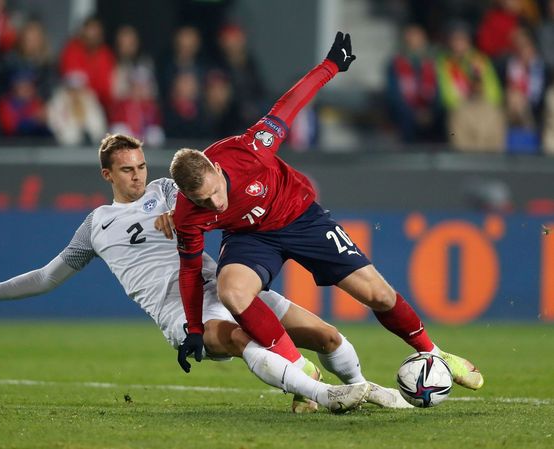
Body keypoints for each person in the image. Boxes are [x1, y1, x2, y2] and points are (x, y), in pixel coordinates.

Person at [0, 133, 412, 413]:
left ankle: (364, 388)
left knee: (328, 338)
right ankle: (323, 395)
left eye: (141, 166)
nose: (137, 176)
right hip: (179, 312)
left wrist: (178, 213)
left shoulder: (171, 190)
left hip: (223, 284)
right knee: (244, 339)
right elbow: (46, 277)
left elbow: (199, 206)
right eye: (126, 170)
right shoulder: (95, 227)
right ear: (107, 175)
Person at [168, 32, 484, 391]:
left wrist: (330, 66)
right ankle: (299, 369)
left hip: (301, 217)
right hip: (250, 236)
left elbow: (288, 105)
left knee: (378, 295)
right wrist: (194, 328)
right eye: (203, 202)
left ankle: (436, 353)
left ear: (214, 168)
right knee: (232, 292)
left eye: (216, 192)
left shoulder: (248, 151)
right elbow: (191, 272)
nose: (215, 205)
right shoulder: (187, 216)